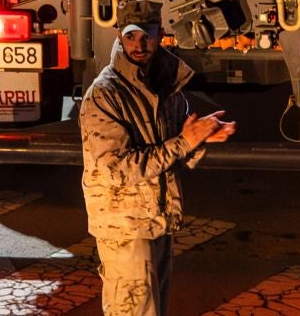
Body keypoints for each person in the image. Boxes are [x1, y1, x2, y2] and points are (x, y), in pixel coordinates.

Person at [80, 16, 235, 316]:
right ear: (119, 37)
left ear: (160, 35)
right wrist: (184, 143)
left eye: (146, 36)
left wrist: (201, 136)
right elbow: (115, 169)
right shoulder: (104, 94)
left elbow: (176, 141)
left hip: (155, 219)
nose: (139, 44)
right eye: (131, 36)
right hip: (123, 226)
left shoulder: (162, 84)